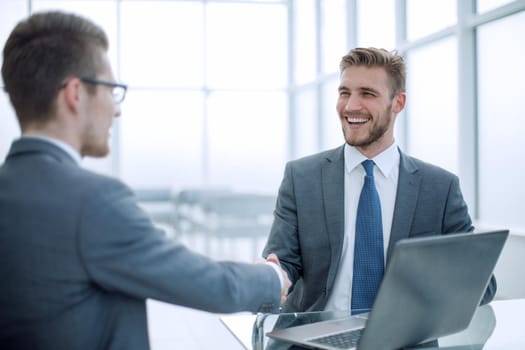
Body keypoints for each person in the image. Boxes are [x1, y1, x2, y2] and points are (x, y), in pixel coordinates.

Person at [0, 11, 290, 350]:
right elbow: (208, 284)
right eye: (112, 89)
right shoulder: (92, 202)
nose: (117, 109)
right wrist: (272, 277)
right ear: (75, 93)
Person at [262, 47, 496, 314]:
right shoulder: (301, 178)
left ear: (398, 103)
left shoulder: (440, 188)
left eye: (367, 94)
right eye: (344, 93)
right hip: (315, 336)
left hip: (404, 339)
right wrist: (271, 274)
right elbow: (282, 263)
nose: (350, 106)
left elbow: (484, 286)